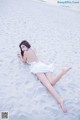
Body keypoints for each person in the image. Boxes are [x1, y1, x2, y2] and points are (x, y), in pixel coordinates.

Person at [17, 40, 71, 113]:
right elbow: (35, 55)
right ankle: (62, 72)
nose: (22, 49)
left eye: (23, 46)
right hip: (42, 65)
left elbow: (23, 61)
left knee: (48, 86)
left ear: (26, 45)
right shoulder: (33, 49)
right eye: (21, 48)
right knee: (52, 82)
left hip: (36, 67)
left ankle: (60, 101)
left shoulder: (25, 53)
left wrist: (20, 55)